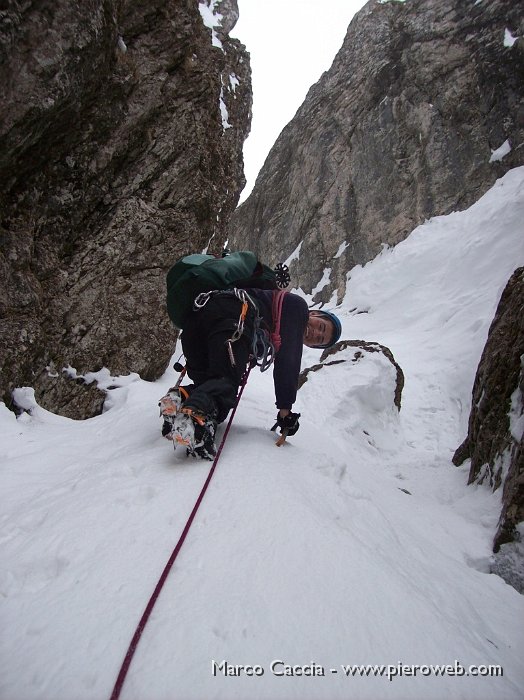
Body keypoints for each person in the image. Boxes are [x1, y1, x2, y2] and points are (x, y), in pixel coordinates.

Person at [159, 287, 342, 459]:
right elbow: (288, 361)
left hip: (200, 320)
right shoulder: (298, 308)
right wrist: (285, 410)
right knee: (224, 387)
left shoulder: (276, 316)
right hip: (232, 317)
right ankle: (195, 429)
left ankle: (179, 399)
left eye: (319, 340)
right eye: (321, 327)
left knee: (210, 390)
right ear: (315, 313)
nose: (315, 333)